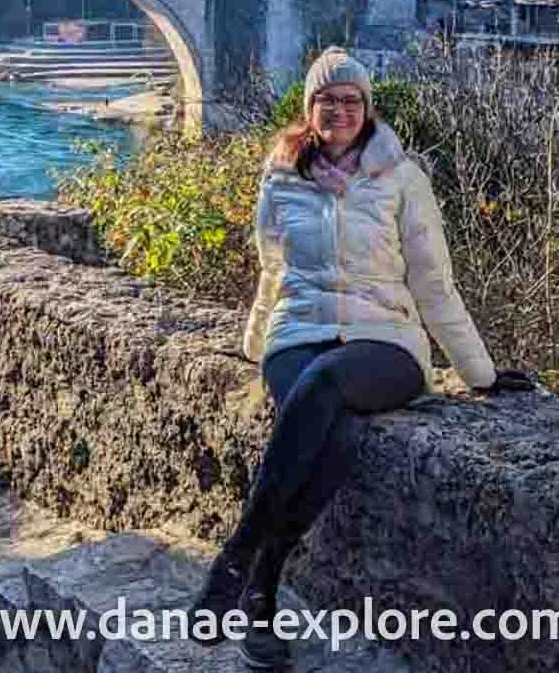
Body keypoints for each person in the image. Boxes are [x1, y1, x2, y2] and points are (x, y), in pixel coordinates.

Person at [189, 47, 534, 668]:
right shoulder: (279, 177)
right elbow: (272, 270)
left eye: (352, 100)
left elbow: (433, 282)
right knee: (338, 431)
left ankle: (237, 558)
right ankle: (261, 592)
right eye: (328, 99)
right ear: (309, 107)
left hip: (386, 341)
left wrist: (477, 371)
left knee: (325, 384)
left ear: (368, 109)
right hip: (299, 332)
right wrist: (255, 342)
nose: (340, 110)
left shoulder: (403, 178)